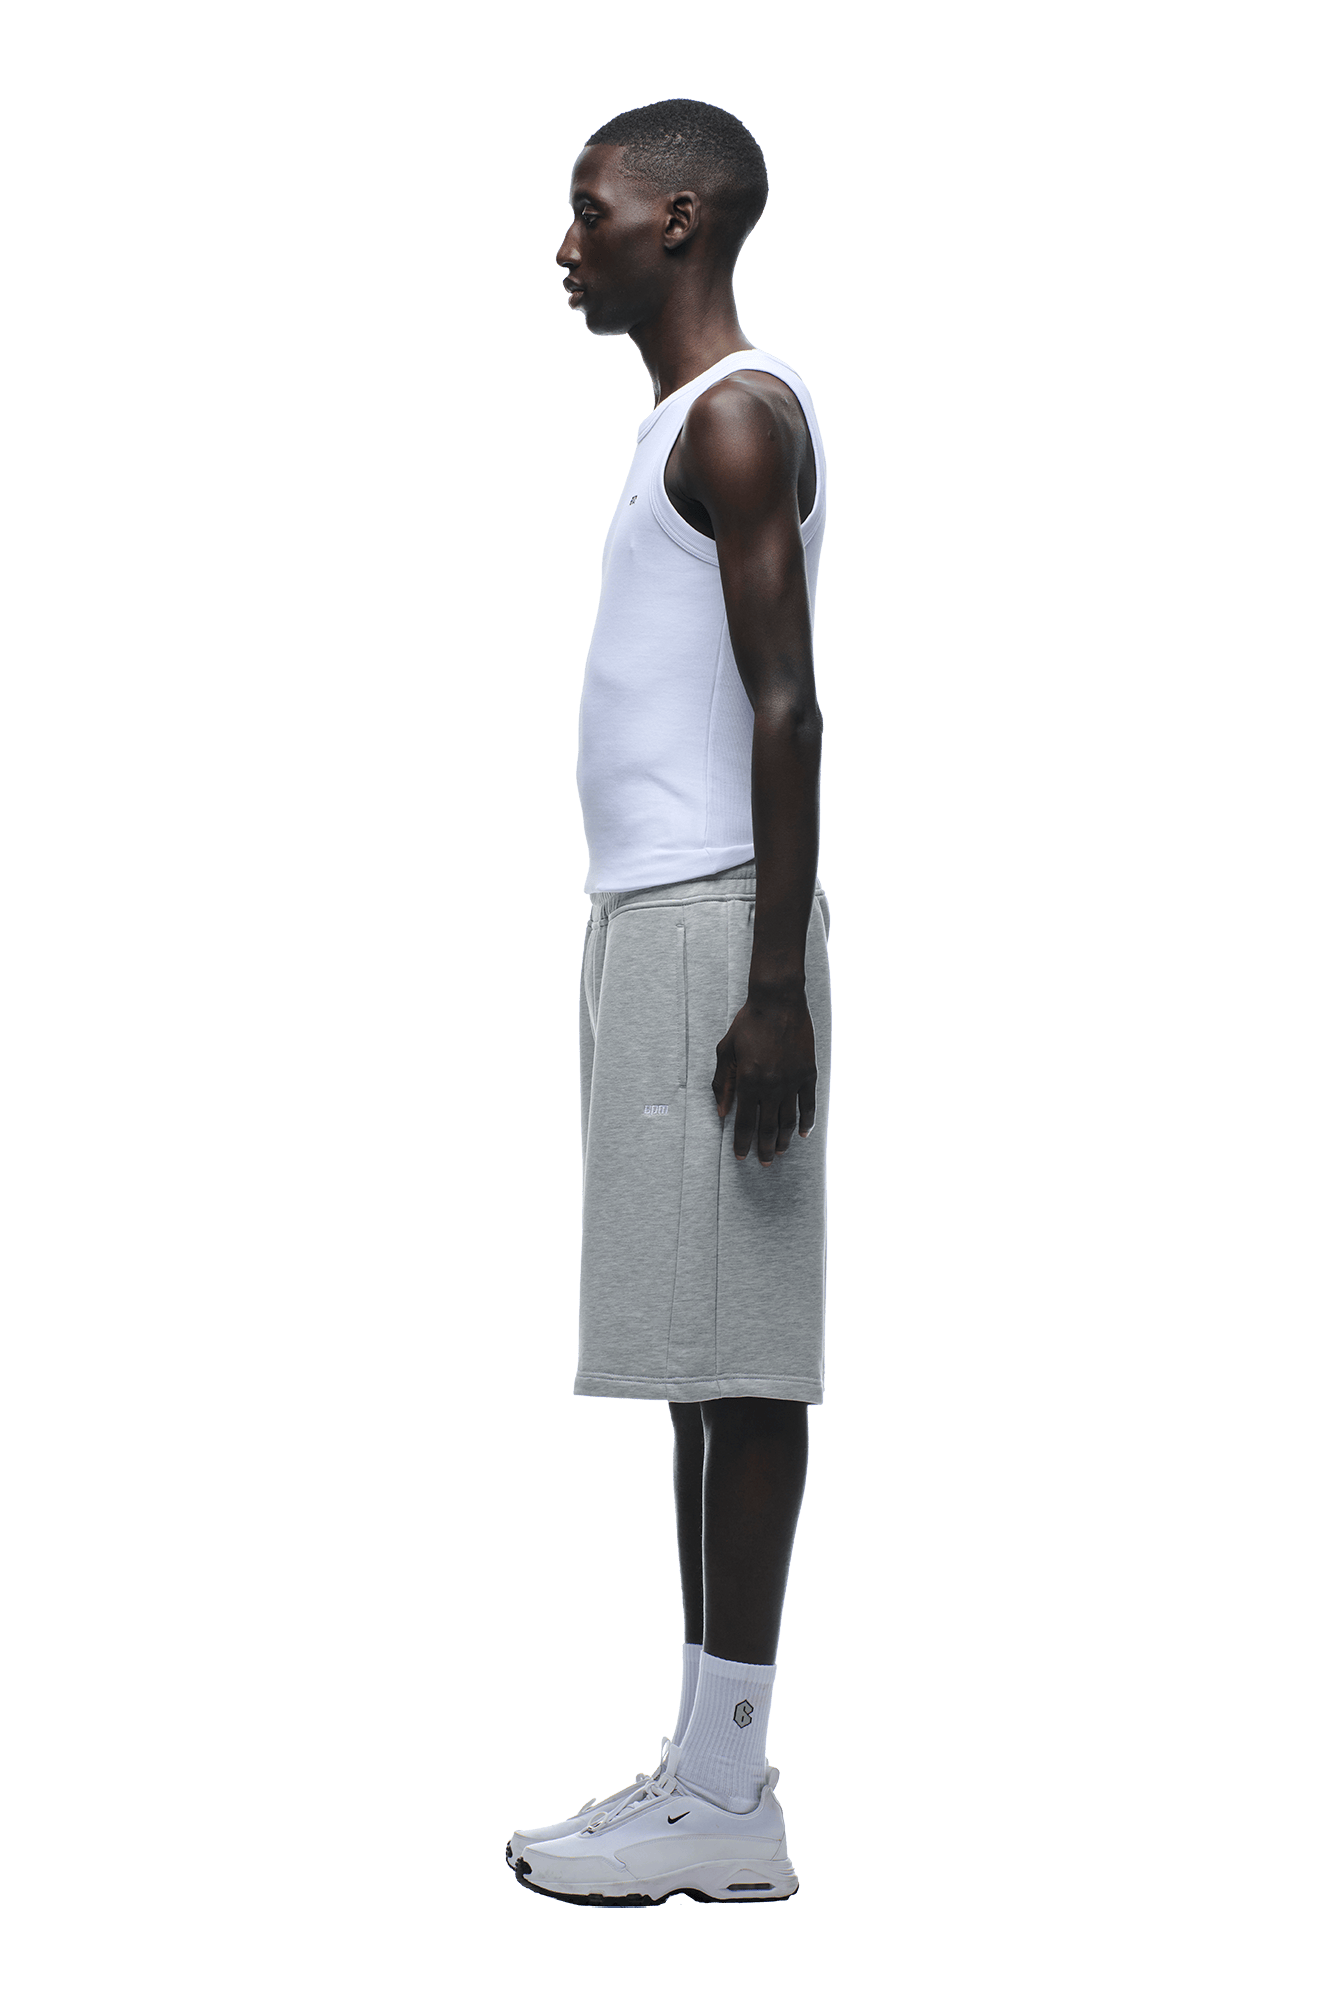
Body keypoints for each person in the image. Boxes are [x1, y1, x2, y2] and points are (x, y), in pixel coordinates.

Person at [506, 99, 832, 1908]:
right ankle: (706, 1777)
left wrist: (772, 985)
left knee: (742, 1352)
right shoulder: (678, 428)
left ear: (682, 221)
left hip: (720, 930)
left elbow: (790, 705)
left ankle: (729, 1795)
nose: (571, 246)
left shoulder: (736, 416)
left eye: (594, 213)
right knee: (693, 1356)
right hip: (658, 920)